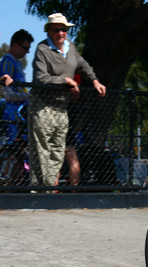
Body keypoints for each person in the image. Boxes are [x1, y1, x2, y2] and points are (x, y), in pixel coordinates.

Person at [28, 13, 106, 188]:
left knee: (57, 150)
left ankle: (50, 190)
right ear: (49, 31)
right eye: (57, 30)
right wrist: (65, 81)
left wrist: (95, 81)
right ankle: (41, 192)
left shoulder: (70, 47)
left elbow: (83, 65)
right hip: (43, 105)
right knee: (42, 151)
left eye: (64, 29)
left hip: (62, 107)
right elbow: (41, 79)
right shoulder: (42, 49)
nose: (61, 33)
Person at [0, 29, 34, 144]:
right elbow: (8, 95)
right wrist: (30, 96)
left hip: (22, 114)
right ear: (15, 45)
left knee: (19, 151)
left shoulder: (17, 62)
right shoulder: (7, 62)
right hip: (13, 114)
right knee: (12, 150)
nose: (28, 52)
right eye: (25, 48)